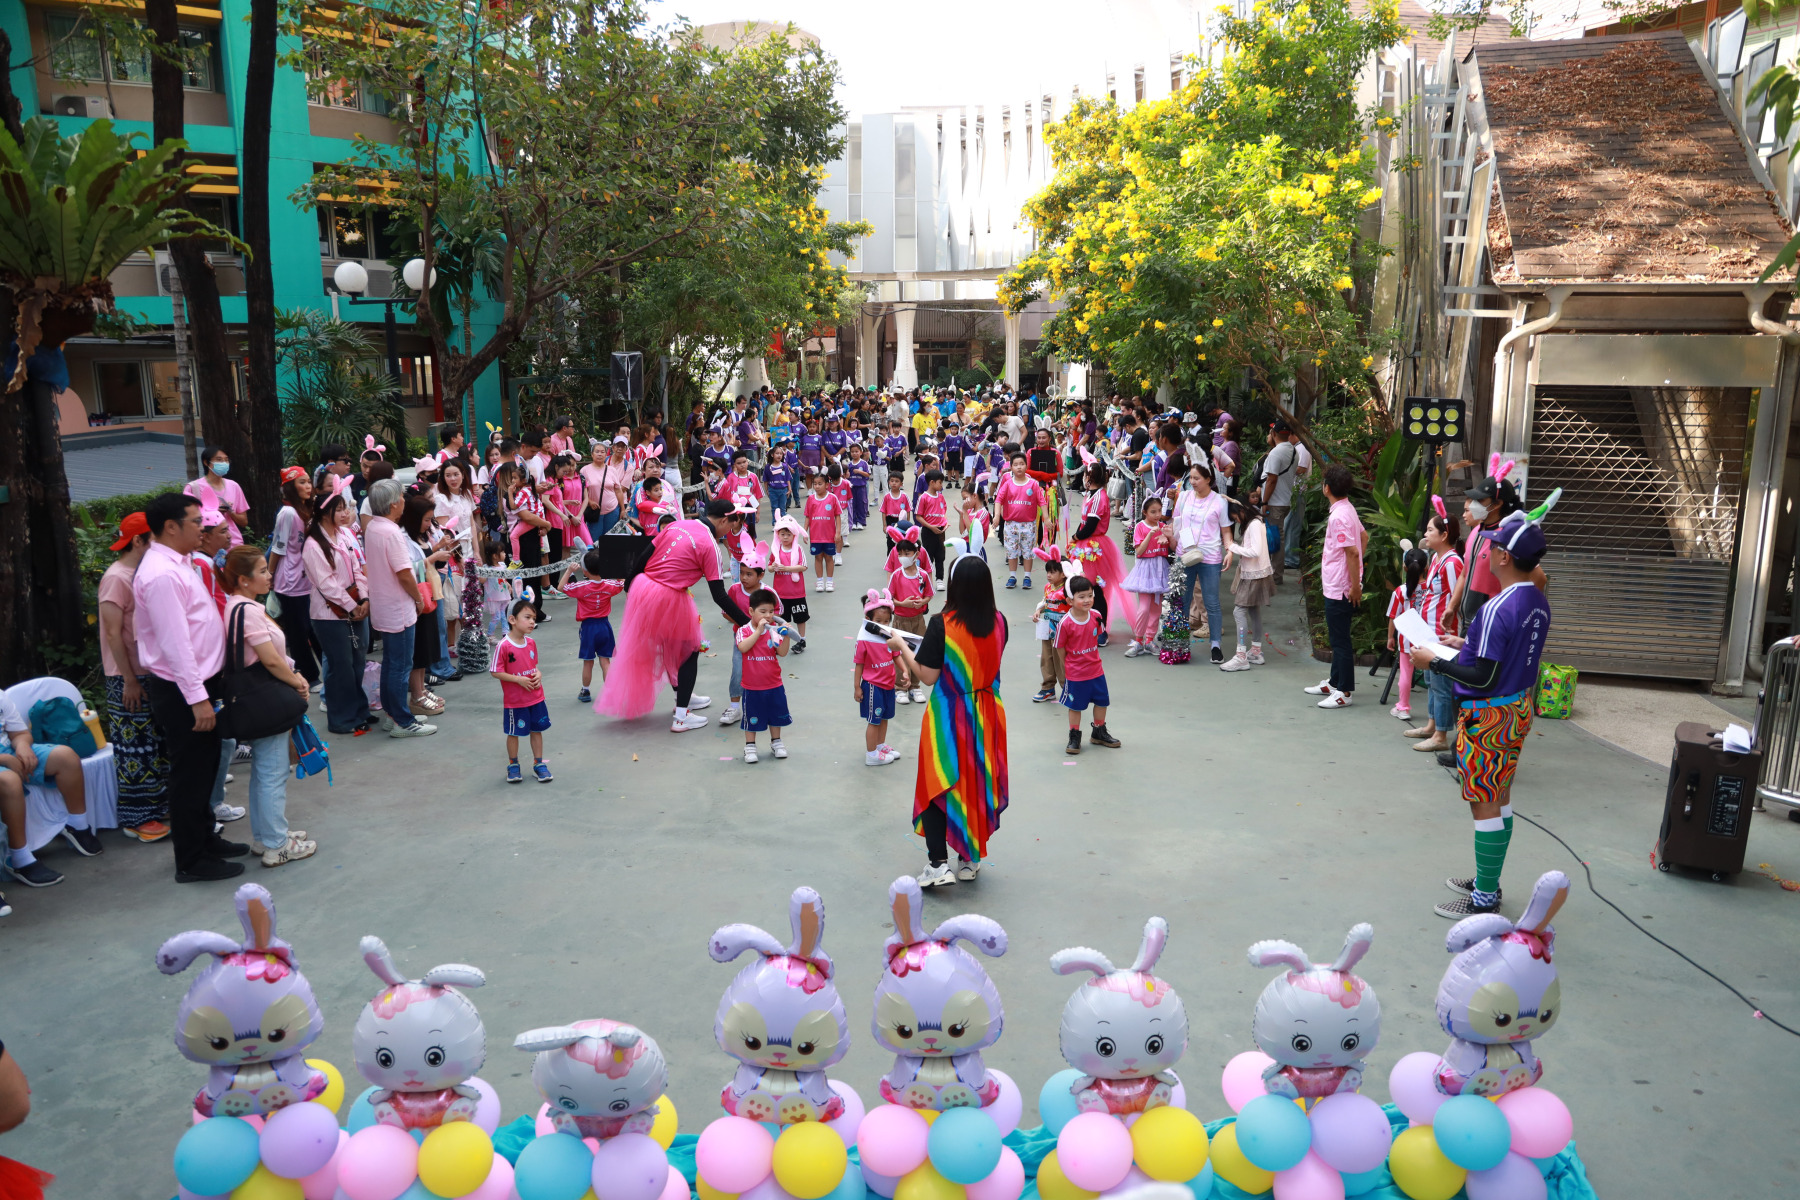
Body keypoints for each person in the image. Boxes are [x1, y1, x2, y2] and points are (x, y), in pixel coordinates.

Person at [1409, 511, 1552, 918]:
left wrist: (1434, 662)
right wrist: (1466, 645)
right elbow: (1503, 656)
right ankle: (1488, 880)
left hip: (1489, 716)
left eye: (1493, 547)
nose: (1485, 553)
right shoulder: (1536, 600)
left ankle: (1484, 898)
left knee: (1484, 805)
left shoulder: (1496, 609)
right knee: (1499, 798)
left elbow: (1485, 677)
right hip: (1516, 709)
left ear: (1505, 558)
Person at [133, 491, 246, 883]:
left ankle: (206, 839)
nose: (204, 528)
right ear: (170, 527)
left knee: (207, 766)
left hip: (201, 682)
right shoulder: (161, 574)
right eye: (196, 522)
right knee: (191, 774)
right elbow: (176, 645)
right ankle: (191, 860)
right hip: (183, 689)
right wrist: (197, 699)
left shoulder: (179, 562)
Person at [886, 555, 1009, 888]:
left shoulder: (942, 623)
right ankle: (969, 858)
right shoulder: (1000, 621)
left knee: (938, 782)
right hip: (986, 713)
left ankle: (938, 864)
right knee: (975, 782)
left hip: (949, 715)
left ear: (953, 585)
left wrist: (900, 645)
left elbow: (927, 676)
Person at [598, 499, 751, 729]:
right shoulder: (711, 546)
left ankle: (683, 696)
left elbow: (644, 555)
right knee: (689, 650)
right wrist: (748, 623)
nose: (729, 531)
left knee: (671, 646)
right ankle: (681, 717)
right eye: (731, 525)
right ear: (723, 520)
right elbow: (719, 595)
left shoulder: (677, 524)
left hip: (643, 586)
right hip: (668, 595)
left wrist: (630, 584)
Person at [218, 546, 317, 868]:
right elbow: (271, 659)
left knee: (264, 773)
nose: (269, 575)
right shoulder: (246, 610)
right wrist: (297, 681)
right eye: (262, 571)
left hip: (255, 697)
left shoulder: (239, 607)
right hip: (264, 697)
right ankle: (277, 844)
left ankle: (266, 837)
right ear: (243, 580)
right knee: (273, 772)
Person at [98, 512, 170, 842]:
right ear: (138, 541)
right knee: (134, 749)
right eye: (153, 537)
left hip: (148, 671)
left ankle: (158, 808)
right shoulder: (116, 578)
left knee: (154, 743)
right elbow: (113, 633)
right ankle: (137, 818)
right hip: (126, 676)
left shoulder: (142, 572)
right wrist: (129, 679)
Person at [0, 684, 98, 891]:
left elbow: (20, 733)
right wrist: (6, 760)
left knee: (66, 756)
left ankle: (77, 826)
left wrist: (23, 747)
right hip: (4, 759)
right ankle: (19, 858)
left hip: (8, 750)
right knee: (10, 781)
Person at [364, 479, 436, 737]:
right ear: (393, 504)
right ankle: (402, 721)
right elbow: (404, 573)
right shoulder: (391, 532)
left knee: (392, 664)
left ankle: (393, 714)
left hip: (384, 605)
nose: (404, 501)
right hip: (397, 607)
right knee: (401, 666)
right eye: (401, 498)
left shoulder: (373, 527)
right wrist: (418, 599)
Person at [301, 482, 372, 736]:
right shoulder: (313, 544)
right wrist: (353, 606)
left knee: (358, 662)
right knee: (341, 666)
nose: (345, 514)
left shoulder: (344, 535)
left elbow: (358, 569)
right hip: (329, 615)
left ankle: (359, 711)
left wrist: (364, 599)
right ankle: (341, 718)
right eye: (339, 509)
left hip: (355, 607)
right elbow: (326, 584)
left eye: (345, 508)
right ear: (323, 512)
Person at [1305, 464, 1366, 710]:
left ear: (1326, 488)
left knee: (1340, 640)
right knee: (1337, 636)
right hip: (1341, 583)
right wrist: (1358, 573)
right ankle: (1334, 682)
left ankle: (1344, 691)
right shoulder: (1347, 509)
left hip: (1341, 586)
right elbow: (1363, 538)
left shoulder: (1339, 516)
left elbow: (1352, 551)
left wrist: (1354, 584)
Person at [1407, 510, 1466, 754]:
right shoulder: (1437, 559)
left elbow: (1456, 598)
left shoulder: (1452, 563)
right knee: (1432, 681)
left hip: (1442, 634)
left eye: (1430, 530)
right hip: (1429, 632)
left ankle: (1441, 734)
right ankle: (1432, 725)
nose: (1426, 533)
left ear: (1444, 535)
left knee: (1441, 684)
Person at [266, 471, 321, 689]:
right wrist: (270, 574)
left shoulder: (306, 509)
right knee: (299, 632)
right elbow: (278, 546)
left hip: (306, 578)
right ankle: (309, 677)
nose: (308, 486)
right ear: (290, 487)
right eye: (302, 482)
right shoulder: (287, 513)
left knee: (312, 628)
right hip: (290, 581)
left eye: (309, 482)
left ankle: (325, 672)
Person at [1055, 576, 1121, 754]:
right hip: (1076, 673)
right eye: (1081, 596)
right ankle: (1074, 735)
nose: (1087, 600)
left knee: (1102, 701)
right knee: (1075, 706)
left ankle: (1099, 732)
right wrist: (1067, 666)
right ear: (1070, 600)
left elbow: (1096, 635)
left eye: (1090, 595)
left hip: (1096, 670)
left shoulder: (1096, 616)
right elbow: (1059, 647)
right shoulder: (1065, 623)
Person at [400, 493, 451, 718]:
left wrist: (437, 554)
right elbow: (408, 569)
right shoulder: (403, 538)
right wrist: (433, 557)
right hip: (416, 598)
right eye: (426, 519)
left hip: (428, 595)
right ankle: (417, 694)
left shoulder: (419, 536)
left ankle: (421, 690)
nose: (429, 524)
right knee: (418, 649)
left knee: (426, 647)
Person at [490, 599, 553, 783]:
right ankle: (513, 764)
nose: (532, 622)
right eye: (527, 617)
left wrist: (538, 674)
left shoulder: (531, 643)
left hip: (536, 697)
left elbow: (534, 666)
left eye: (534, 618)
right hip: (515, 701)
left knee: (537, 730)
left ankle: (539, 764)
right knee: (514, 732)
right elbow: (495, 671)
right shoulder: (504, 645)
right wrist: (518, 680)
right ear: (512, 619)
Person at [1172, 463, 1230, 662]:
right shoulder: (1184, 497)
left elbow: (1226, 531)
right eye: (1191, 478)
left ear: (1208, 479)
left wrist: (1230, 550)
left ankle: (1215, 645)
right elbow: (1176, 523)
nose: (1192, 482)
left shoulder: (1219, 502)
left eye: (1197, 478)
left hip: (1210, 557)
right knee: (1182, 600)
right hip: (1185, 555)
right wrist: (1169, 538)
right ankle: (1179, 643)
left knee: (1211, 601)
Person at [1069, 463, 1126, 644]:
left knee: (1096, 590)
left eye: (1086, 474)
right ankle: (1087, 627)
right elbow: (1083, 523)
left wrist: (1076, 537)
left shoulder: (1099, 497)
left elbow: (1090, 527)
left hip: (1095, 547)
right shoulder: (1089, 494)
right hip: (1085, 545)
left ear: (1090, 477)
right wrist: (1075, 539)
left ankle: (1102, 630)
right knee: (1085, 588)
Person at [735, 589, 794, 764]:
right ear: (751, 611)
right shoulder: (744, 630)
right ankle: (750, 746)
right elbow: (743, 647)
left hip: (774, 683)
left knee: (776, 715)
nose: (768, 616)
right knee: (751, 717)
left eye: (771, 611)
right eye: (763, 611)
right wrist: (759, 631)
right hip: (752, 686)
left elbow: (782, 652)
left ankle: (777, 742)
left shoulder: (774, 631)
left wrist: (786, 636)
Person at [562, 548, 625, 705]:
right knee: (605, 661)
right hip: (605, 626)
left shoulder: (581, 587)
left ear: (584, 570)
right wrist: (613, 568)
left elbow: (561, 587)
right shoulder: (610, 585)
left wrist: (569, 571)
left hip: (588, 628)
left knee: (588, 661)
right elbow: (622, 582)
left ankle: (585, 691)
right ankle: (610, 692)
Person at [1220, 498, 1274, 672]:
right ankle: (1255, 651)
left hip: (1253, 575)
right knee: (1253, 610)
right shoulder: (1257, 521)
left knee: (1239, 611)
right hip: (1258, 573)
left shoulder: (1254, 525)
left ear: (1242, 511)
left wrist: (1233, 547)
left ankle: (1241, 655)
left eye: (1236, 517)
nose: (1237, 520)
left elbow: (1255, 551)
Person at [855, 589, 903, 766]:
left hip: (888, 685)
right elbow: (859, 664)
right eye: (878, 621)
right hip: (873, 686)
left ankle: (880, 745)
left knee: (884, 718)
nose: (883, 624)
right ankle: (871, 754)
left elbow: (896, 655)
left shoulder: (889, 637)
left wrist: (905, 671)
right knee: (874, 721)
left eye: (886, 621)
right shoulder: (864, 639)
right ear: (868, 619)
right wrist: (857, 687)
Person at [1123, 496, 1173, 657]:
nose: (1157, 515)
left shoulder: (1163, 526)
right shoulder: (1140, 527)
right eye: (1153, 511)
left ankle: (1149, 640)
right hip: (1145, 570)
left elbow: (1173, 547)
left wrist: (1170, 536)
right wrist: (1150, 535)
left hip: (1160, 569)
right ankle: (1138, 640)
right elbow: (1139, 551)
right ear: (1144, 512)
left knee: (1156, 608)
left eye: (1159, 511)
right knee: (1144, 608)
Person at [888, 528, 933, 704]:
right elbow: (889, 599)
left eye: (907, 553)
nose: (903, 557)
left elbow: (929, 594)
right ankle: (900, 688)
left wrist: (923, 602)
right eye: (900, 554)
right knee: (900, 654)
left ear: (916, 554)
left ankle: (915, 686)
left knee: (917, 652)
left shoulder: (923, 575)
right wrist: (902, 604)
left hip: (918, 620)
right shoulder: (896, 575)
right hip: (900, 621)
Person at [1387, 544, 1431, 721]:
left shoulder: (1400, 591)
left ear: (1405, 567)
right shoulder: (1432, 588)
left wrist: (1390, 637)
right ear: (1426, 568)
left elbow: (1393, 617)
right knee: (1433, 676)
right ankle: (1435, 714)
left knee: (1406, 673)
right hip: (1429, 638)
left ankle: (1403, 708)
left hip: (1406, 639)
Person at [994, 453, 1047, 590]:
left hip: (1028, 525)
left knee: (1028, 551)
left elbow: (1042, 502)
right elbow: (998, 500)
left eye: (1022, 464)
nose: (1019, 467)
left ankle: (1027, 577)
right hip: (1011, 524)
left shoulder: (1033, 484)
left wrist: (1046, 519)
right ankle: (1012, 576)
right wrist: (997, 516)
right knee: (1011, 551)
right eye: (1016, 465)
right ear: (1011, 467)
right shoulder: (1007, 484)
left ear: (1026, 466)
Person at [1259, 421, 1300, 585]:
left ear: (1274, 433)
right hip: (1284, 500)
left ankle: (1275, 576)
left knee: (1275, 539)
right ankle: (1273, 573)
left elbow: (1272, 479)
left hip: (1274, 502)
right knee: (1276, 537)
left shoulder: (1276, 452)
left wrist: (1264, 502)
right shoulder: (1293, 450)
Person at [185, 445, 248, 546]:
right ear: (206, 462)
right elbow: (186, 519)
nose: (224, 463)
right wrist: (213, 513)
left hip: (233, 543)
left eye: (226, 460)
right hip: (206, 544)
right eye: (219, 460)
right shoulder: (193, 487)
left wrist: (230, 512)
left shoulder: (234, 486)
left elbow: (244, 522)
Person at [767, 515, 811, 653]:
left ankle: (801, 640)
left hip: (797, 592)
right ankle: (781, 641)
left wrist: (786, 568)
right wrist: (773, 567)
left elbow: (803, 566)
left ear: (794, 535)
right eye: (782, 534)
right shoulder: (776, 550)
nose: (785, 537)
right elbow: (769, 568)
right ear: (778, 535)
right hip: (780, 593)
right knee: (781, 619)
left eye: (788, 534)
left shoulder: (798, 549)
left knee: (800, 618)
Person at [1032, 554, 1070, 703]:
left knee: (1061, 660)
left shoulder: (1068, 589)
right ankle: (1048, 688)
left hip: (1062, 631)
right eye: (1047, 572)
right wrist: (1038, 610)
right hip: (1047, 628)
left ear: (1063, 573)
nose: (1048, 575)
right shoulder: (1048, 587)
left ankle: (1067, 688)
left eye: (1053, 572)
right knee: (1047, 658)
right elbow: (1045, 601)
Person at [582, 438, 634, 539]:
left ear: (606, 454)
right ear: (592, 454)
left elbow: (618, 490)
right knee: (594, 539)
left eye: (602, 452)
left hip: (612, 510)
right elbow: (581, 491)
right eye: (597, 451)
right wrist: (590, 502)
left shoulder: (612, 470)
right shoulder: (585, 470)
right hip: (595, 511)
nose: (600, 454)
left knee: (610, 540)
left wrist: (622, 509)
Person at [803, 471, 843, 592]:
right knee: (818, 558)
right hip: (815, 536)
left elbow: (837, 516)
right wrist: (804, 532)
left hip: (829, 536)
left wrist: (838, 533)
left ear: (826, 485)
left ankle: (829, 581)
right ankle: (819, 581)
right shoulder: (811, 499)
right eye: (815, 484)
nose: (817, 486)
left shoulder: (832, 498)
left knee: (829, 558)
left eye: (819, 484)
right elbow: (808, 516)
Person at [846, 442, 873, 530]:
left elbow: (868, 474)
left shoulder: (864, 463)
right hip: (852, 488)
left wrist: (860, 472)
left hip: (861, 487)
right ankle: (853, 521)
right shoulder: (849, 464)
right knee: (852, 504)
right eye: (852, 452)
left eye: (856, 451)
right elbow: (846, 476)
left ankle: (861, 522)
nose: (854, 453)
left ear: (861, 452)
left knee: (861, 504)